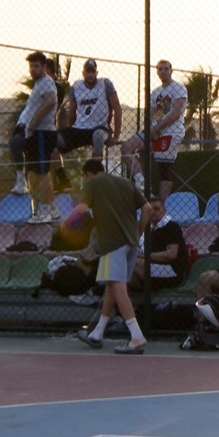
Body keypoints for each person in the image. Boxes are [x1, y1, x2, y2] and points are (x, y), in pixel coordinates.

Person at [75, 158, 147, 355]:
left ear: (89, 174)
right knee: (112, 286)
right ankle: (98, 332)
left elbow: (81, 211)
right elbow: (147, 208)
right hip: (130, 243)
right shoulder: (126, 182)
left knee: (118, 287)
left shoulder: (92, 184)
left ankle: (136, 336)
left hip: (112, 243)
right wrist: (138, 233)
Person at [123, 60, 188, 200]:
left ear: (171, 70)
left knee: (164, 168)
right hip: (154, 130)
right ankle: (142, 182)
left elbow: (175, 114)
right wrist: (150, 129)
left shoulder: (178, 88)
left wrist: (156, 128)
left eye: (166, 68)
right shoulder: (155, 92)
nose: (163, 71)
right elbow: (151, 114)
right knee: (127, 148)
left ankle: (161, 205)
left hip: (171, 131)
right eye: (160, 69)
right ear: (157, 71)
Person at [10, 51, 61, 211]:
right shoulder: (39, 84)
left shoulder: (46, 82)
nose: (33, 69)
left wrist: (33, 123)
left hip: (41, 133)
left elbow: (51, 101)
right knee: (34, 171)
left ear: (44, 67)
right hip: (33, 133)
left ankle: (47, 208)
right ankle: (48, 206)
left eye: (36, 66)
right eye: (31, 66)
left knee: (42, 172)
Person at [57, 60, 123, 161]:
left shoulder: (105, 84)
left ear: (96, 73)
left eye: (93, 72)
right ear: (83, 73)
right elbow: (71, 112)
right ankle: (61, 174)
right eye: (88, 72)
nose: (90, 75)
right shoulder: (76, 86)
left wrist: (116, 136)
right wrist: (71, 129)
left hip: (100, 127)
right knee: (56, 139)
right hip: (80, 127)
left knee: (98, 136)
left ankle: (96, 171)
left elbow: (117, 109)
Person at [131, 195, 188, 288]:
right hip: (152, 267)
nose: (153, 212)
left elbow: (171, 255)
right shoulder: (148, 229)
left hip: (171, 271)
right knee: (125, 273)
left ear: (164, 211)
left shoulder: (171, 227)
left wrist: (143, 256)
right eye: (150, 209)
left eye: (156, 209)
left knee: (134, 263)